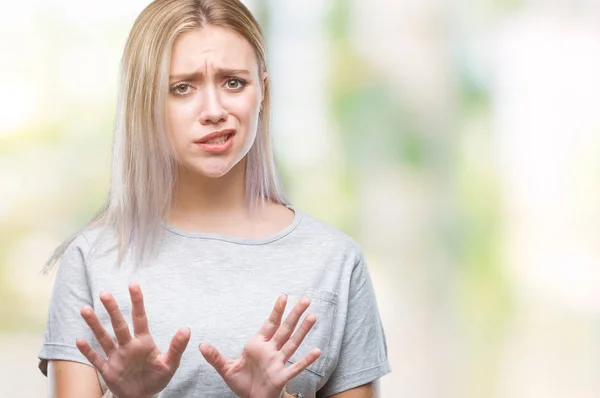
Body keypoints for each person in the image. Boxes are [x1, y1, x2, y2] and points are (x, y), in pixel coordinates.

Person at [38, 0, 390, 397]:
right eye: (182, 88)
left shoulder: (335, 263)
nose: (214, 110)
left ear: (263, 92)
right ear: (144, 101)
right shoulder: (92, 260)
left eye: (233, 82)